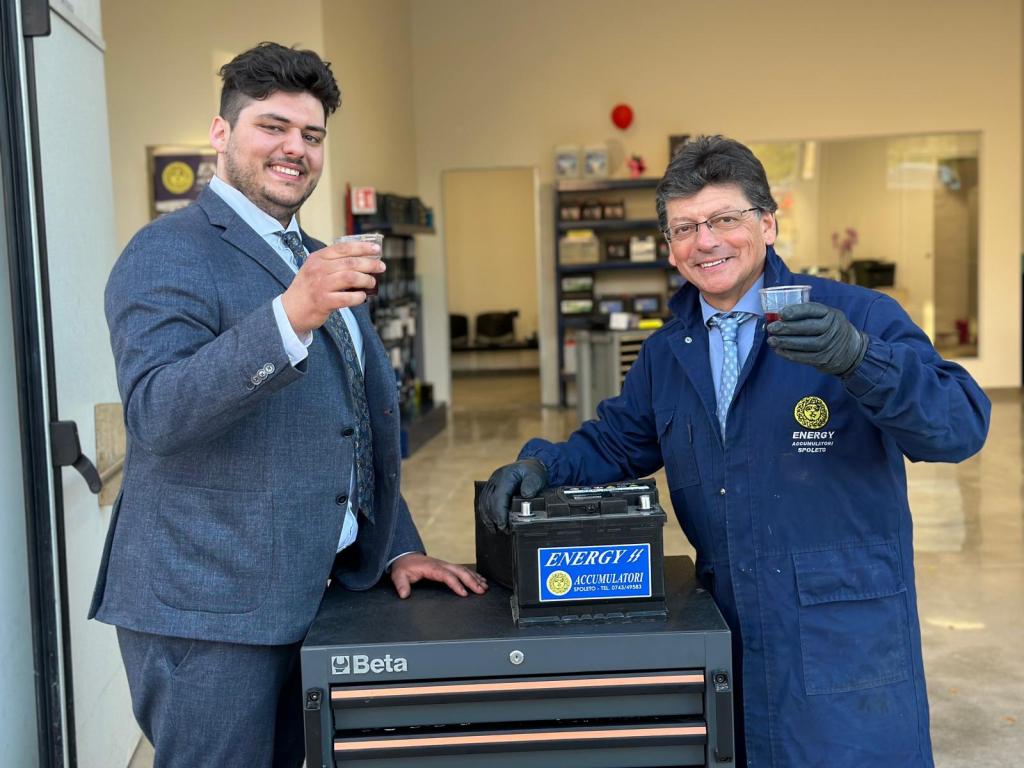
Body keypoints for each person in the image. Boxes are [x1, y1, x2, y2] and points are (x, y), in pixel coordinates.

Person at [478, 135, 989, 767]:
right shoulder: (670, 352)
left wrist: (861, 359)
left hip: (843, 636)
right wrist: (542, 465)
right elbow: (616, 440)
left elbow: (958, 427)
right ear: (670, 247)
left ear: (767, 224)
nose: (705, 241)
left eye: (724, 219)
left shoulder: (858, 315)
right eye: (684, 228)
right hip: (729, 629)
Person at [90, 42, 486, 768]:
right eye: (272, 126)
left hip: (314, 596)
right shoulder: (167, 252)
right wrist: (288, 316)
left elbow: (349, 423)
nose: (294, 148)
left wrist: (398, 545)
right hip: (209, 614)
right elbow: (157, 413)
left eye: (311, 134)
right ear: (221, 133)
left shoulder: (312, 254)